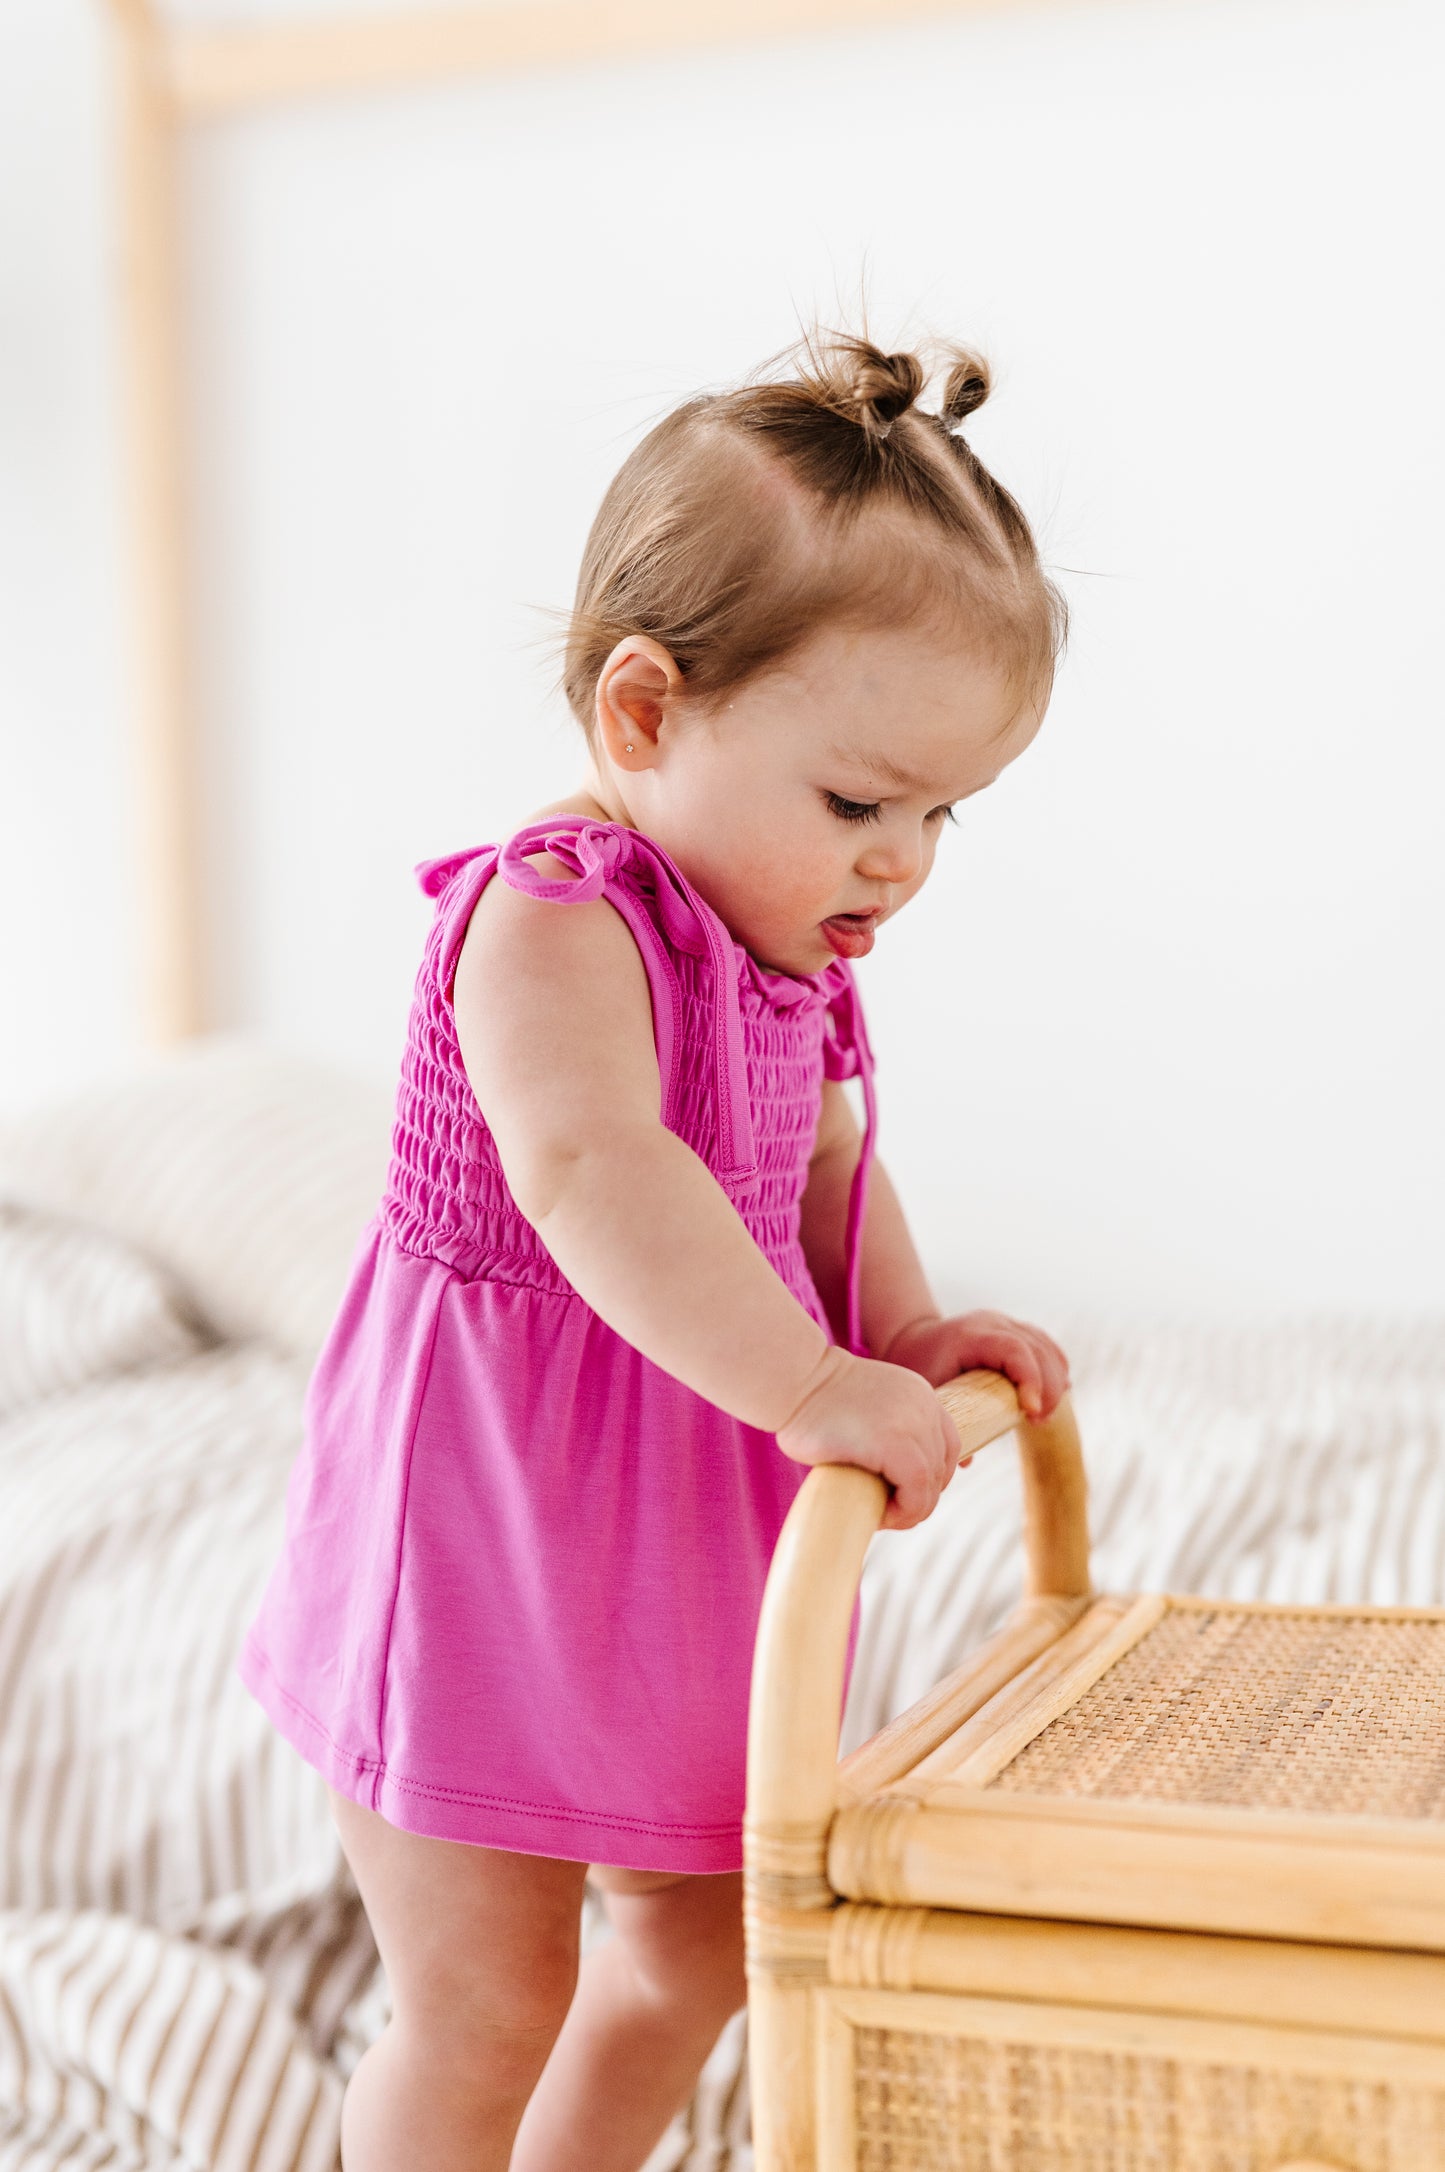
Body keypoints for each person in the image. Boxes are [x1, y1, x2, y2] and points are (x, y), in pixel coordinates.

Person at [237, 327, 1073, 2171]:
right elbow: (595, 1172)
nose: (904, 863)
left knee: (697, 1948)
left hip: (669, 1532)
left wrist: (903, 1326)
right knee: (487, 1986)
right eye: (861, 803)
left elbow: (827, 1161)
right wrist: (809, 1379)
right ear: (641, 715)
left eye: (945, 813)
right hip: (479, 1525)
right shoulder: (551, 920)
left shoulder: (789, 946)